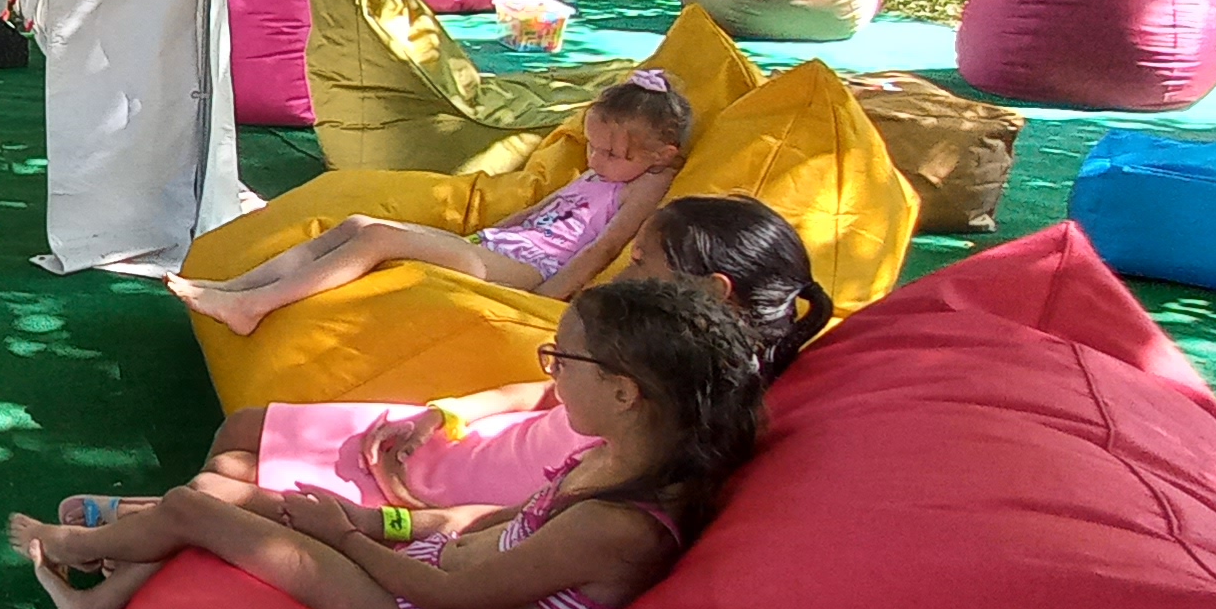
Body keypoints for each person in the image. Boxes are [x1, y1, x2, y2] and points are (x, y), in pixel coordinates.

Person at [8, 277, 767, 609]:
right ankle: (94, 600)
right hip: (420, 568)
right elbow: (484, 521)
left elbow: (453, 597)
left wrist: (344, 539)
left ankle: (69, 549)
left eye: (562, 360)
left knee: (193, 507)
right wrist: (376, 521)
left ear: (626, 393)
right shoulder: (609, 458)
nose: (551, 374)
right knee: (227, 493)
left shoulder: (619, 525)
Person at [64, 194, 829, 528]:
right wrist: (445, 412)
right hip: (465, 445)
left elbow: (544, 520)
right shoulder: (652, 359)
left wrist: (409, 514)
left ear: (710, 292)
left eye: (640, 265)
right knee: (245, 429)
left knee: (226, 483)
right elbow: (542, 394)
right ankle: (150, 538)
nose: (623, 276)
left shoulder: (681, 414)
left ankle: (145, 539)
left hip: (453, 495)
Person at [170, 71, 692, 335]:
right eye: (593, 147)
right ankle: (239, 287)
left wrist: (550, 297)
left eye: (612, 153)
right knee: (358, 222)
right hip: (500, 247)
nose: (596, 159)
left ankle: (252, 307)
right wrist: (477, 236)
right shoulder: (608, 170)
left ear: (662, 154)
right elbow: (540, 210)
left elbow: (606, 246)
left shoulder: (649, 182)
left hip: (531, 271)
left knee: (379, 238)